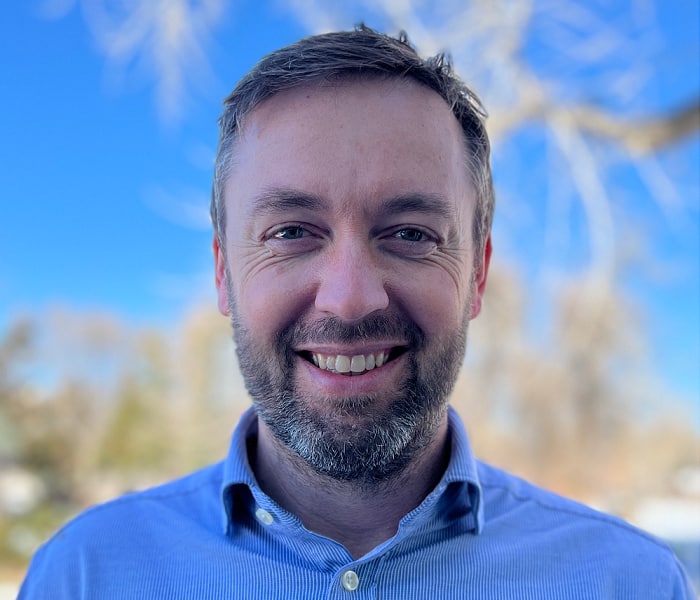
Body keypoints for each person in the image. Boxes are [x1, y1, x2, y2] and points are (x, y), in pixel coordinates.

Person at [19, 26, 694, 599]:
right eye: (291, 232)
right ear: (224, 272)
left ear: (477, 273)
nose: (348, 298)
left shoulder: (628, 583)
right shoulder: (85, 576)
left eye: (411, 234)